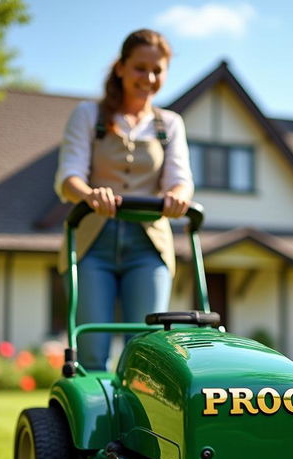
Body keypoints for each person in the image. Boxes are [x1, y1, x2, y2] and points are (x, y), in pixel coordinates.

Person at [54, 29, 194, 370]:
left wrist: (177, 198)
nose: (148, 78)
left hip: (149, 247)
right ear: (120, 67)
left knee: (145, 349)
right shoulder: (89, 115)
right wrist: (90, 194)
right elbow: (68, 176)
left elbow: (181, 180)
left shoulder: (169, 124)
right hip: (92, 243)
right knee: (91, 350)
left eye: (157, 70)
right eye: (139, 68)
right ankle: (96, 420)